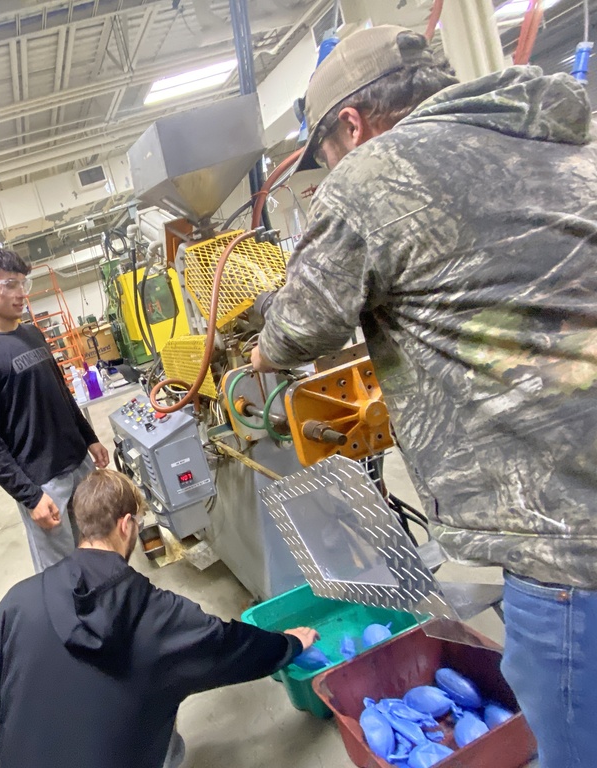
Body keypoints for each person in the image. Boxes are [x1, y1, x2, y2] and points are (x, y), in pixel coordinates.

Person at [250, 25, 597, 767]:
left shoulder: (376, 173)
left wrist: (256, 347)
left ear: (352, 124)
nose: (330, 169)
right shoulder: (561, 136)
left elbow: (292, 335)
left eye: (326, 155)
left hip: (567, 542)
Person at [0, 469, 318, 768]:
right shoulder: (163, 617)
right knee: (168, 713)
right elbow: (231, 646)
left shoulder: (19, 600)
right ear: (127, 525)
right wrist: (290, 644)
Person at [0, 246, 110, 573]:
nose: (20, 293)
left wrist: (90, 437)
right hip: (43, 483)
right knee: (62, 573)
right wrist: (30, 496)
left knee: (96, 552)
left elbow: (62, 394)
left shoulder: (31, 334)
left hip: (78, 464)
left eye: (23, 284)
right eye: (9, 285)